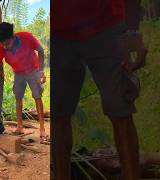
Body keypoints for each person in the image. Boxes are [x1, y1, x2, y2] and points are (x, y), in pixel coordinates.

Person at [52, 0, 148, 179]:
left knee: (120, 110)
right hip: (58, 34)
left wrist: (133, 31)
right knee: (58, 117)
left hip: (106, 24)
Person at [0, 22, 49, 141]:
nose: (5, 47)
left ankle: (42, 129)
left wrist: (41, 70)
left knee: (37, 97)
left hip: (33, 70)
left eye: (7, 43)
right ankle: (20, 126)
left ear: (13, 36)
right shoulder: (0, 49)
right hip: (18, 73)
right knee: (18, 98)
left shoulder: (26, 37)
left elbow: (41, 50)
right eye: (2, 44)